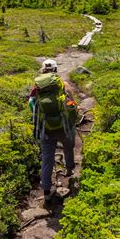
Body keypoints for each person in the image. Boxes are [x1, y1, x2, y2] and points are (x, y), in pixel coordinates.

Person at [28, 59, 76, 203]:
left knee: (47, 158)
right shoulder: (63, 85)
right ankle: (69, 170)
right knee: (68, 147)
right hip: (64, 127)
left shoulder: (37, 87)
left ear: (43, 71)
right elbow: (72, 104)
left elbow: (31, 105)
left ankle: (47, 190)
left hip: (45, 130)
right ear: (55, 70)